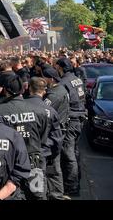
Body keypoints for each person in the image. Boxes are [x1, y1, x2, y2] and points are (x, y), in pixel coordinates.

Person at [0, 74, 49, 200]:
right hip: (34, 161)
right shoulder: (40, 111)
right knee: (37, 196)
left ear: (5, 90)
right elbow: (42, 138)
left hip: (9, 163)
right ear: (23, 89)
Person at [55, 58, 86, 196]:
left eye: (57, 67)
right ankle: (77, 178)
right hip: (79, 117)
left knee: (68, 154)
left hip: (72, 119)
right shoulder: (76, 79)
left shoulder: (63, 83)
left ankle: (72, 186)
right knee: (74, 150)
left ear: (61, 68)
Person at [42, 67, 70, 200]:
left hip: (54, 134)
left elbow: (42, 110)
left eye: (44, 78)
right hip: (58, 131)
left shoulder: (54, 95)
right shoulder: (60, 89)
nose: (43, 80)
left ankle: (56, 194)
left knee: (53, 166)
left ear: (51, 79)